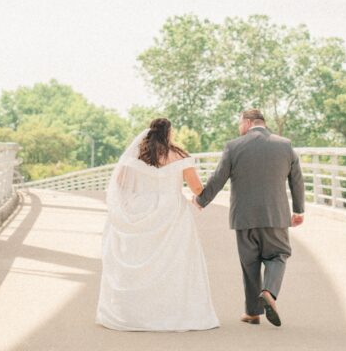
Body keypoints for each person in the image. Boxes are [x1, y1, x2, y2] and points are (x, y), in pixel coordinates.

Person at [96, 117, 219, 331]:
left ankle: (135, 313)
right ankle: (170, 312)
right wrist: (199, 199)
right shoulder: (180, 156)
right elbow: (197, 188)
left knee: (140, 257)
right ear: (169, 133)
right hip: (172, 212)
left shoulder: (137, 156)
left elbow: (120, 182)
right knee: (174, 262)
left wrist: (141, 190)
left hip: (140, 208)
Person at [194, 108, 305, 327]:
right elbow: (297, 180)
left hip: (243, 217)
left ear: (247, 122)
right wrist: (298, 210)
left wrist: (201, 200)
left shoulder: (233, 147)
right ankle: (269, 292)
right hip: (275, 215)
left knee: (250, 263)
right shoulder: (285, 145)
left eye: (239, 123)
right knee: (278, 255)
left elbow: (218, 177)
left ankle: (253, 313)